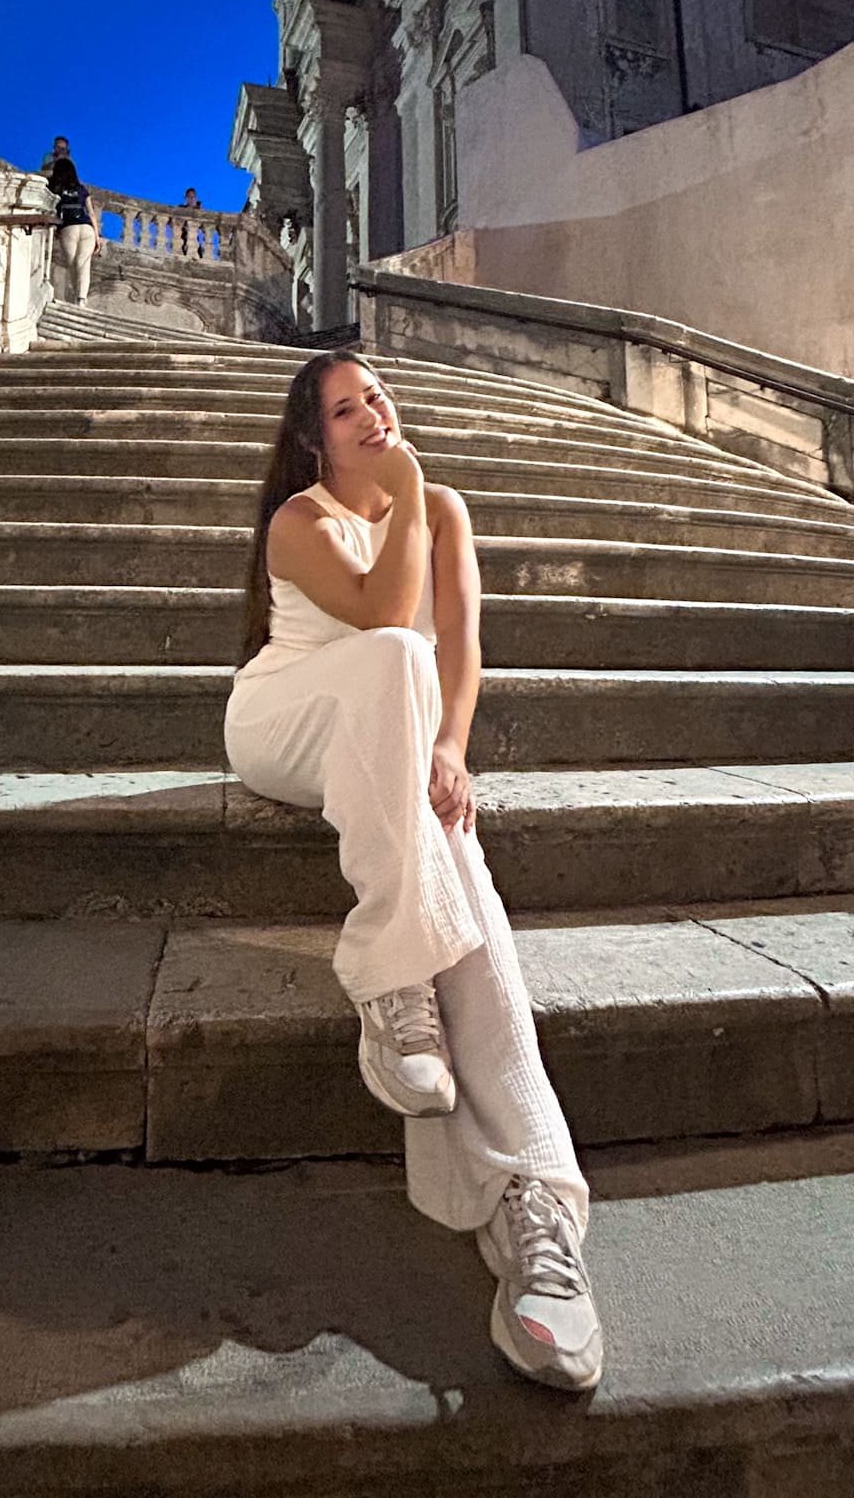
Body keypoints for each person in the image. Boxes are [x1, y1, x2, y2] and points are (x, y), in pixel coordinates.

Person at [223, 350, 603, 1393]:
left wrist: (452, 748)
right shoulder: (299, 519)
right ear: (315, 438)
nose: (374, 414)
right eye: (348, 410)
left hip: (395, 738)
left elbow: (462, 649)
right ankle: (391, 978)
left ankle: (534, 1216)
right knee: (393, 664)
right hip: (287, 717)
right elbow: (393, 625)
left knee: (457, 860)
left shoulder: (444, 508)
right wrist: (407, 491)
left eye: (379, 397)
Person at [41, 137, 99, 304]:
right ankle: (81, 299)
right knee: (84, 263)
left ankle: (77, 298)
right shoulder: (81, 189)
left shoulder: (57, 189)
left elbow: (52, 209)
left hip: (69, 228)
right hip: (87, 228)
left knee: (74, 264)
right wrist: (97, 236)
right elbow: (92, 213)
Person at [179, 185, 204, 259]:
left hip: (195, 238)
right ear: (186, 198)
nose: (191, 199)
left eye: (193, 197)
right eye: (189, 197)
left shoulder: (199, 210)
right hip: (183, 238)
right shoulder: (181, 209)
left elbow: (203, 227)